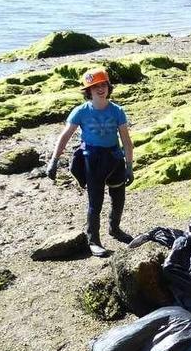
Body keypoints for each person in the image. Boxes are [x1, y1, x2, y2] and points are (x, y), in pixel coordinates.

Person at [47, 68, 134, 257]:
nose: (100, 89)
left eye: (103, 85)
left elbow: (126, 140)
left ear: (108, 87)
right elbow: (65, 136)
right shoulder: (80, 112)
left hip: (114, 159)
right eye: (95, 86)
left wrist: (129, 165)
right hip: (92, 160)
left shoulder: (117, 111)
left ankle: (115, 228)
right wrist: (54, 160)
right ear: (88, 91)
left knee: (118, 197)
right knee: (96, 202)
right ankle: (93, 240)